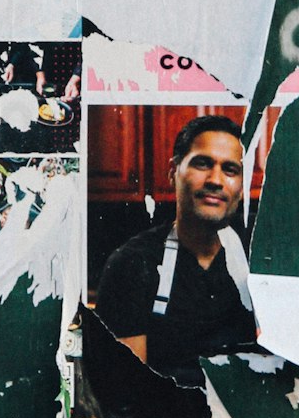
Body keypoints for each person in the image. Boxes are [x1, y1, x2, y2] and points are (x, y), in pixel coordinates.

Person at [92, 115, 258, 396]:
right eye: (202, 163)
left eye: (230, 170)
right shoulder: (132, 265)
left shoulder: (261, 261)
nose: (215, 180)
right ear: (173, 171)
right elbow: (125, 389)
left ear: (241, 189)